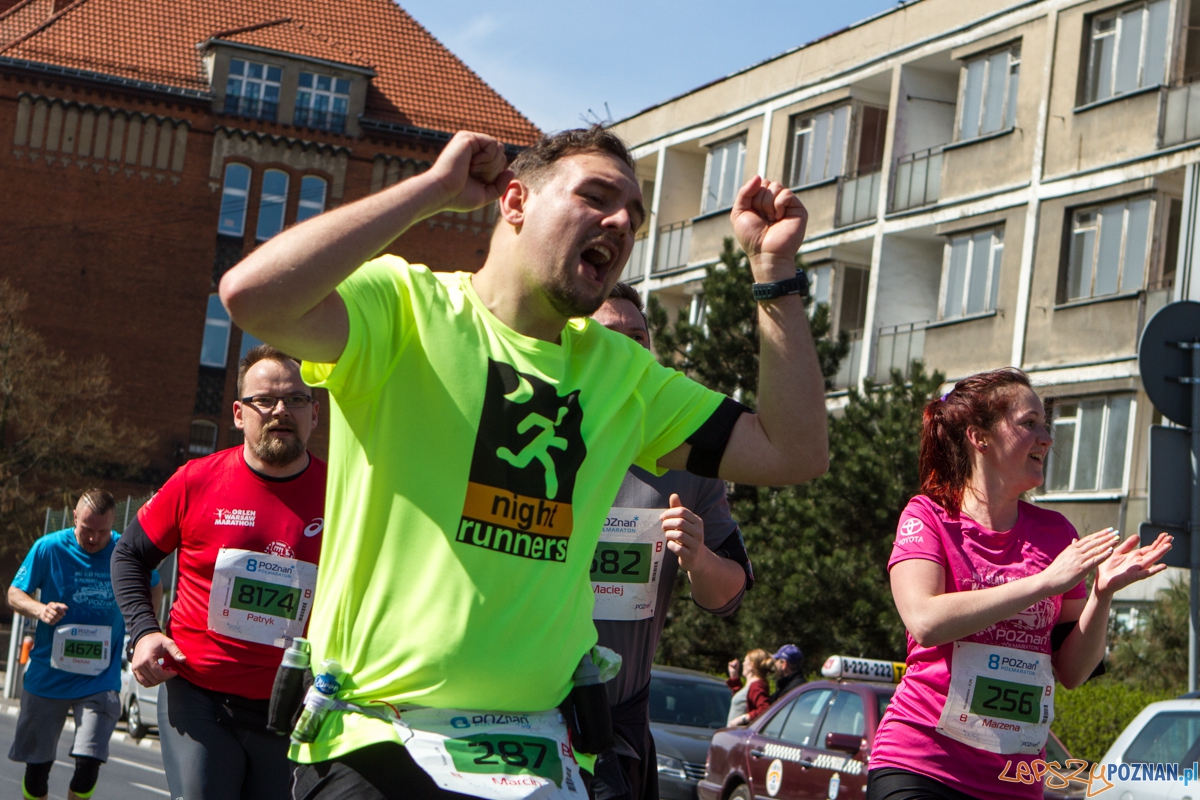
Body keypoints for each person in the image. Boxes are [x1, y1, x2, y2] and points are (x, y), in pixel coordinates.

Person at [219, 125, 829, 799]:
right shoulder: (405, 308)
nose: (621, 222)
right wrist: (431, 192)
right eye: (596, 196)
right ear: (514, 201)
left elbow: (792, 450)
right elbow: (253, 297)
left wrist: (774, 274)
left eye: (634, 215)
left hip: (543, 755)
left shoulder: (622, 373)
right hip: (380, 742)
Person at [867, 368, 1173, 800]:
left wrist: (1101, 595)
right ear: (979, 436)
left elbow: (1071, 672)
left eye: (1045, 425)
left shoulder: (1055, 532)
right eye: (1029, 424)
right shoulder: (927, 516)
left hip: (1014, 782)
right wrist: (1044, 583)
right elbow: (925, 620)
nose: (1046, 438)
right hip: (923, 765)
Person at [111, 345, 326, 800]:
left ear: (315, 414)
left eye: (296, 399)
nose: (281, 410)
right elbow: (129, 554)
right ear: (238, 413)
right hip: (199, 694)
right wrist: (144, 632)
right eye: (265, 400)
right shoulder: (196, 480)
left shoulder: (343, 495)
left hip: (290, 707)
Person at [588, 283, 753, 800]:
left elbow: (730, 595)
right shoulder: (533, 438)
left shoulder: (684, 458)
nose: (631, 350)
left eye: (641, 337)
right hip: (521, 711)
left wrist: (700, 559)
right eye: (613, 336)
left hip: (618, 730)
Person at [7, 489, 161, 800]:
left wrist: (144, 630)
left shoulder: (125, 550)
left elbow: (154, 586)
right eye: (86, 530)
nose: (93, 538)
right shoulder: (48, 547)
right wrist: (40, 609)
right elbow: (14, 593)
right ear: (75, 517)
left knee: (89, 760)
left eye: (102, 531)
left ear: (112, 524)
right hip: (47, 676)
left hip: (99, 678)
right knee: (38, 767)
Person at [728, 649, 773, 727]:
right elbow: (743, 702)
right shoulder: (753, 685)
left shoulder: (756, 686)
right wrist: (734, 676)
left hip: (739, 736)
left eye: (745, 661)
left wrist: (742, 719)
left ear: (751, 666)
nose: (743, 663)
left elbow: (765, 709)